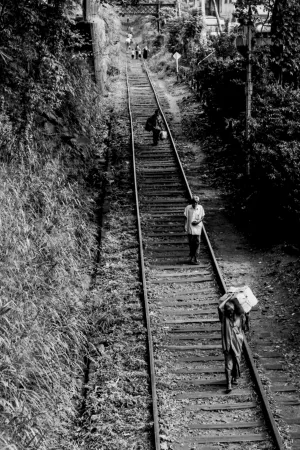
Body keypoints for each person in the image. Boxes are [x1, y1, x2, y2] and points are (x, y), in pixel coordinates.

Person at [218, 295, 246, 393]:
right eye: (227, 310)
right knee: (228, 364)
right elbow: (220, 307)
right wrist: (229, 298)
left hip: (237, 343)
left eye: (231, 310)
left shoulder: (240, 317)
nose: (229, 312)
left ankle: (234, 377)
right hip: (228, 344)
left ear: (234, 310)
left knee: (237, 361)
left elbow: (243, 328)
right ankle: (228, 384)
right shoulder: (224, 318)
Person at [184, 196, 205, 265]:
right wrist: (185, 225)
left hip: (197, 227)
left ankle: (196, 257)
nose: (195, 204)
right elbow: (185, 217)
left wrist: (198, 222)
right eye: (194, 202)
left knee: (197, 242)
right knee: (191, 242)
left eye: (196, 202)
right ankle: (191, 256)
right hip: (190, 227)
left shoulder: (200, 207)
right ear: (191, 202)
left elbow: (202, 216)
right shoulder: (188, 208)